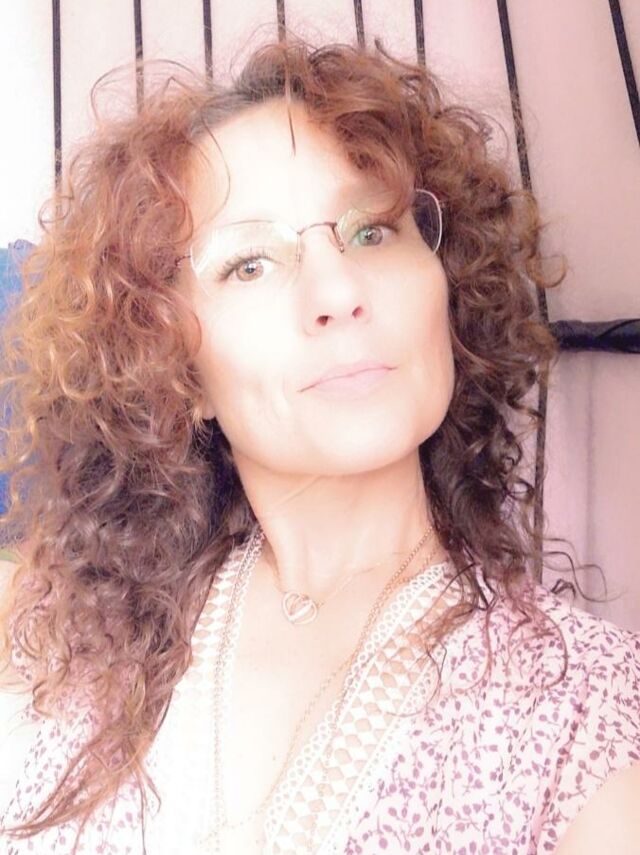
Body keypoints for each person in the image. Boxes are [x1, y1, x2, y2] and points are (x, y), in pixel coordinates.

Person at [0, 35, 638, 855]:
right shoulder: (74, 628)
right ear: (175, 370)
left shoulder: (581, 713)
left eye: (372, 231)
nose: (337, 290)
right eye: (249, 264)